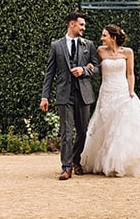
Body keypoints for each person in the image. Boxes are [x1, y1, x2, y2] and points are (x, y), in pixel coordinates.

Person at [80, 24, 140, 177]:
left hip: (122, 92)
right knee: (107, 127)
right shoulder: (100, 51)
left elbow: (130, 74)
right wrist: (90, 67)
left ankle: (118, 164)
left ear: (113, 37)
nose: (101, 38)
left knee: (121, 128)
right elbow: (95, 68)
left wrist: (131, 91)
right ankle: (105, 161)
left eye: (104, 35)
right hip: (106, 93)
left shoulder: (128, 52)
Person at [40, 11, 100, 180]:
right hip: (64, 95)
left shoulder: (88, 44)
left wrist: (84, 70)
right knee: (66, 132)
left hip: (84, 95)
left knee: (83, 132)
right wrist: (45, 97)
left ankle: (75, 160)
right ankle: (66, 168)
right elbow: (49, 73)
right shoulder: (56, 46)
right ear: (71, 24)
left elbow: (97, 69)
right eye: (81, 24)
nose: (84, 28)